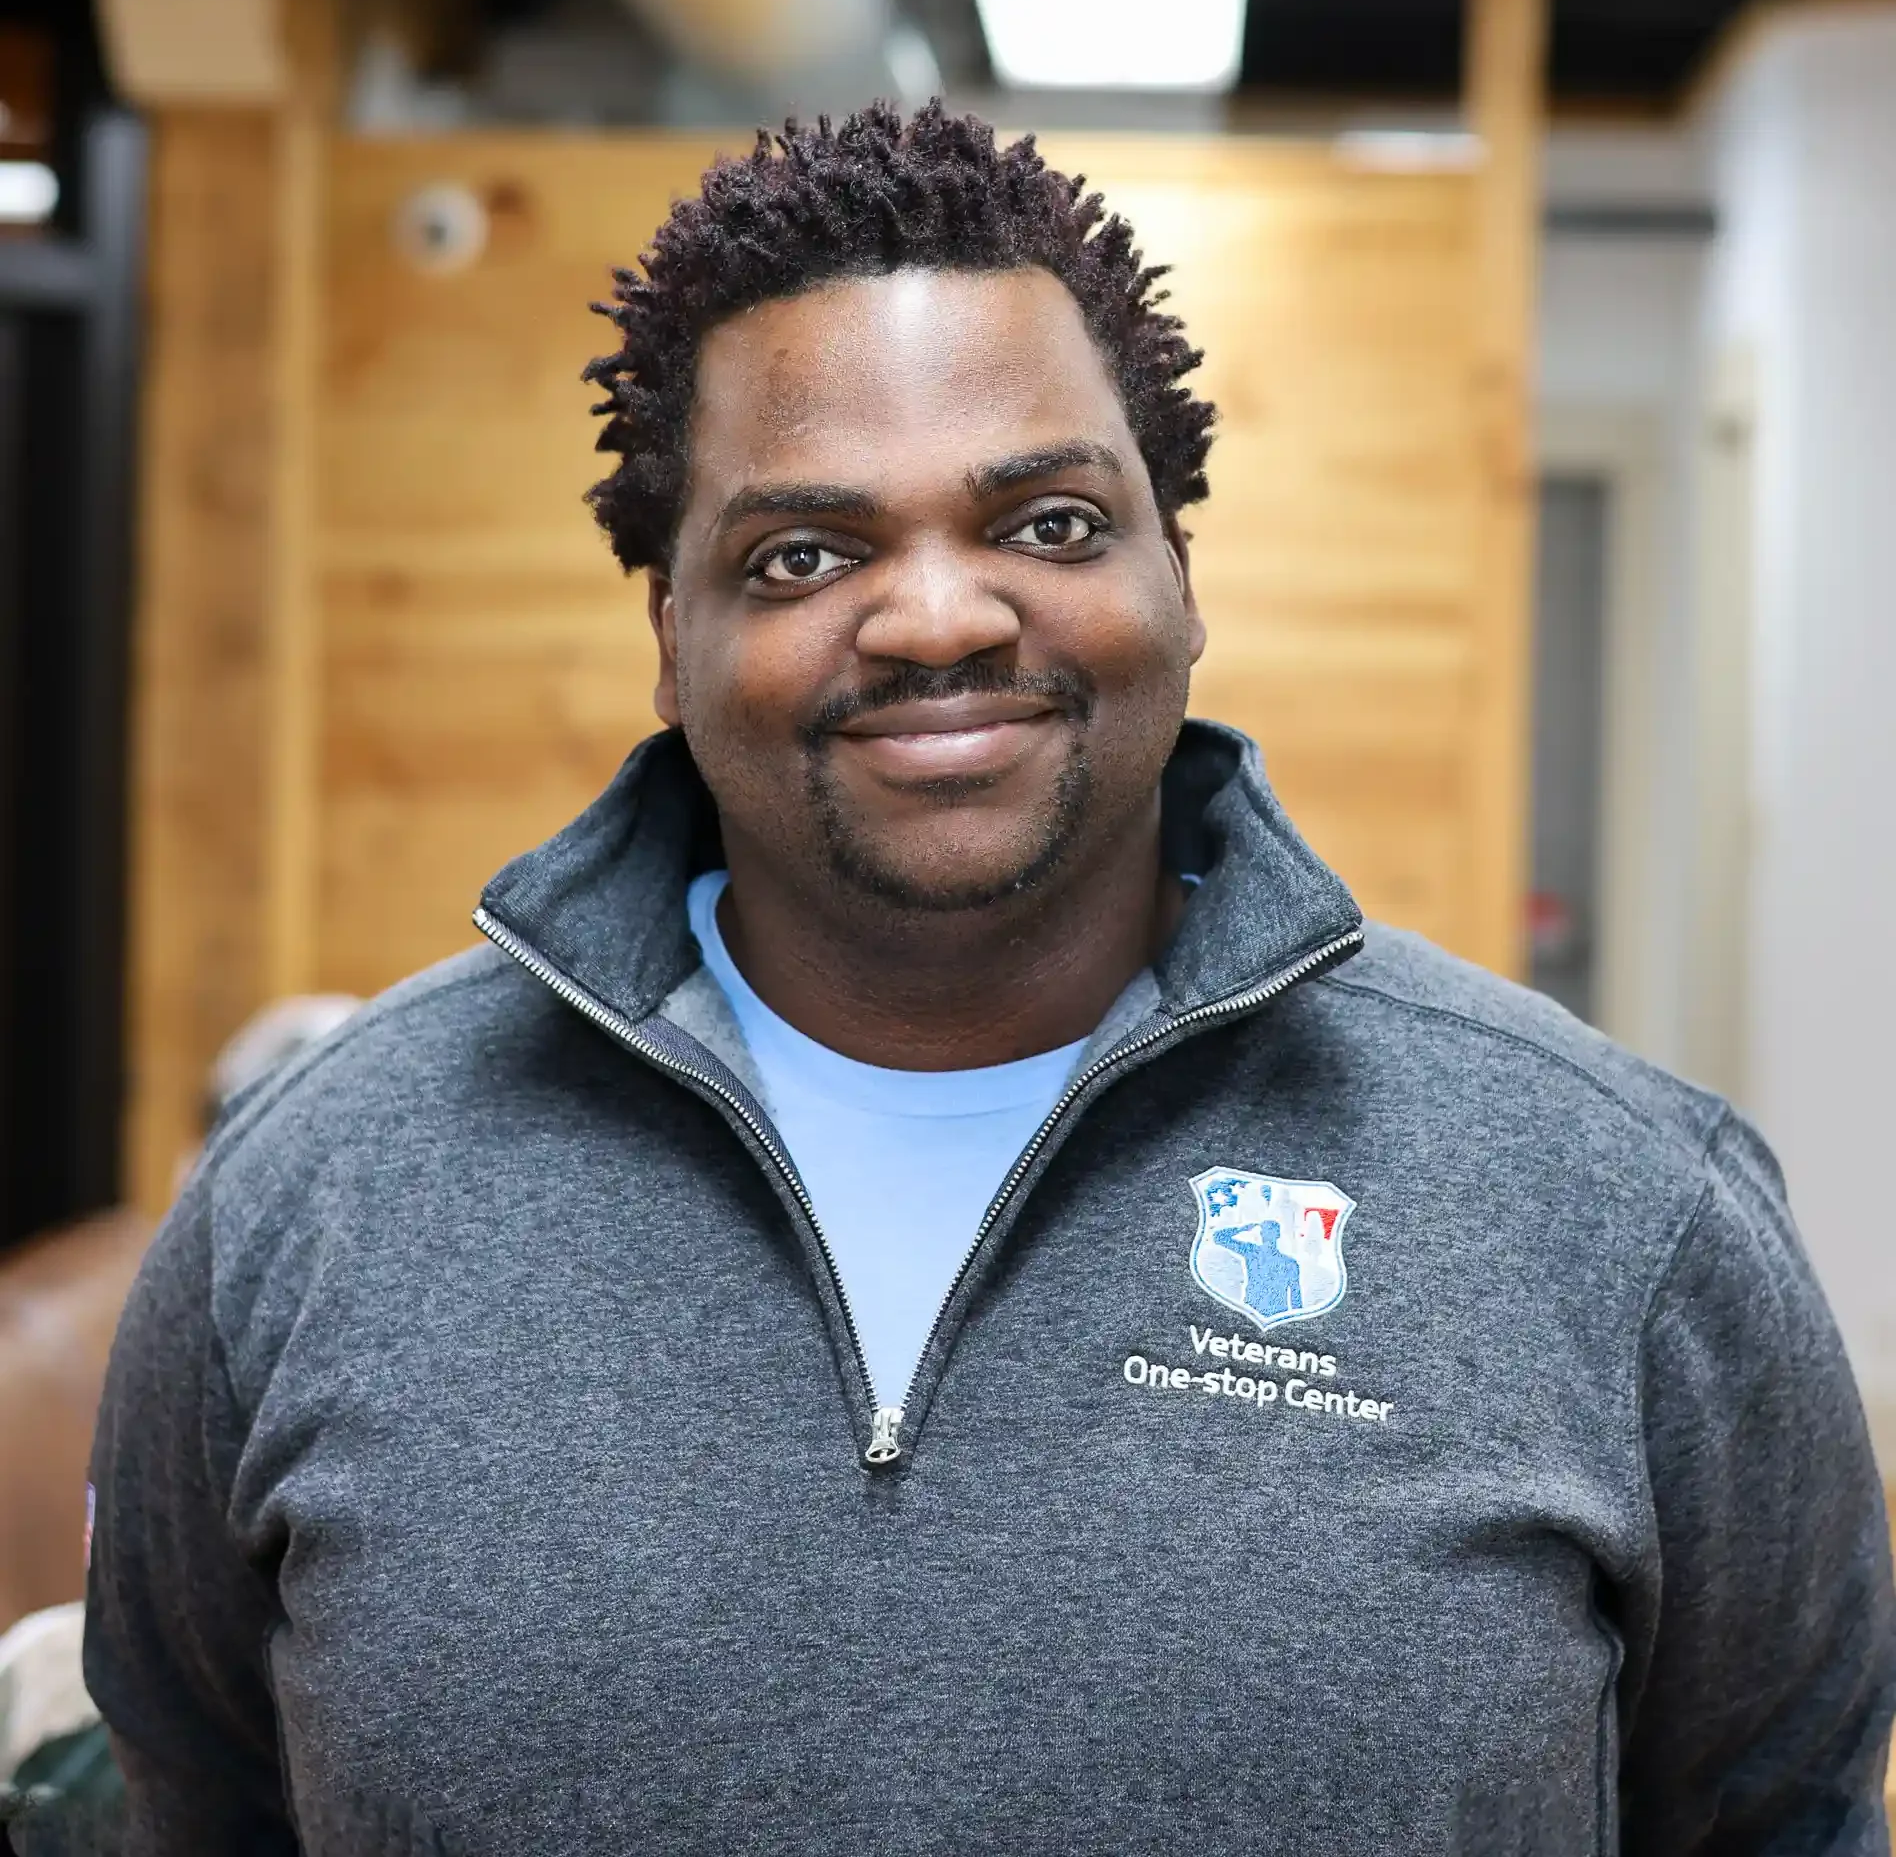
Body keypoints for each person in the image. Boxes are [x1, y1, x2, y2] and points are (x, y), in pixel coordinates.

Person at [84, 102, 1893, 1856]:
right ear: (670, 641)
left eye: (1044, 524)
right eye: (807, 552)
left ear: (1181, 572)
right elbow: (194, 1805)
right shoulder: (310, 1206)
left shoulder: (1617, 1207)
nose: (940, 618)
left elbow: (1779, 1819)